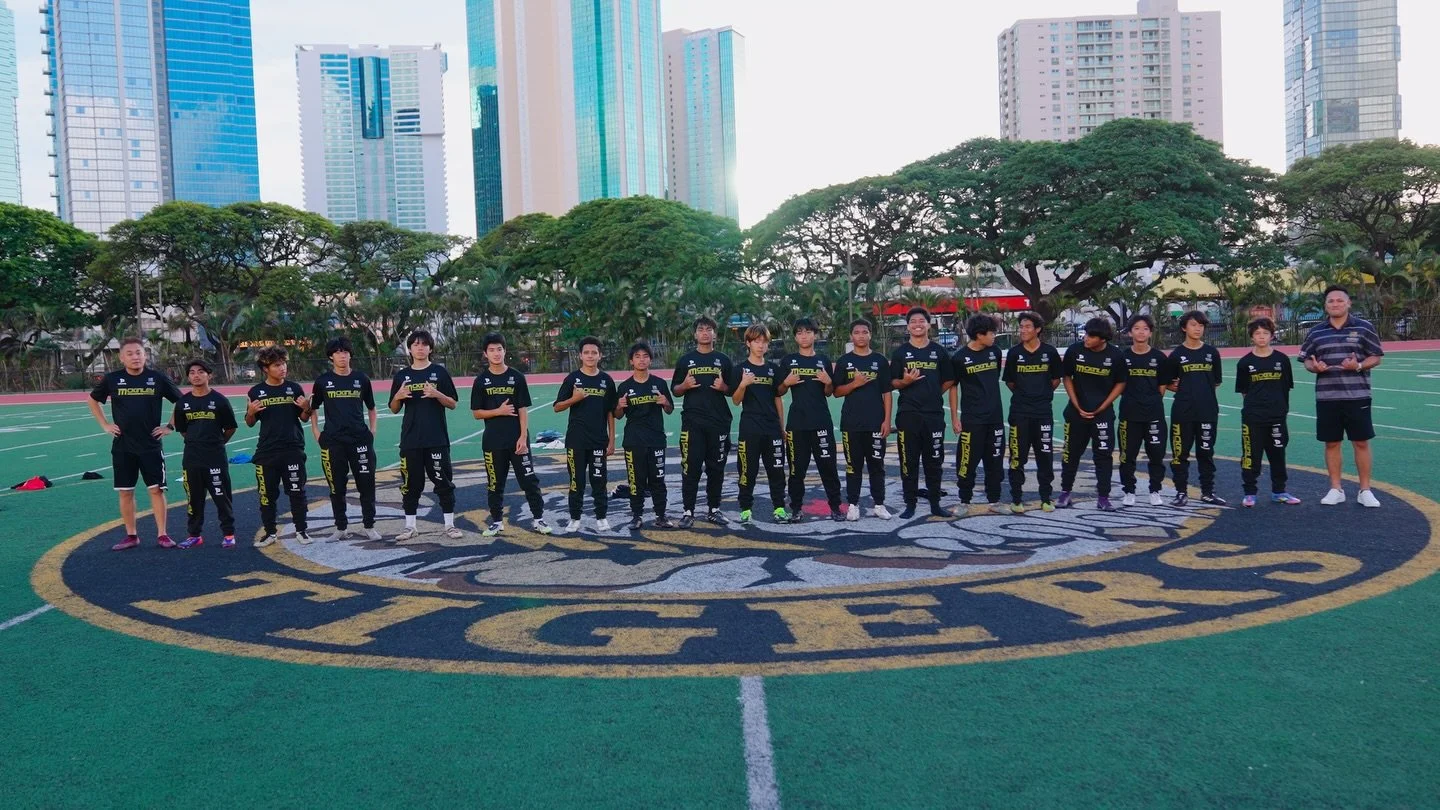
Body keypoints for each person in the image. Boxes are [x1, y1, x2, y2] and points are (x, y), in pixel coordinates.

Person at [87, 337, 181, 550]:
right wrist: (105, 424)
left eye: (138, 352)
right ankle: (131, 535)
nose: (135, 357)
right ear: (121, 357)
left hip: (150, 445)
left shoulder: (157, 378)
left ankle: (162, 534)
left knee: (156, 490)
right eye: (129, 353)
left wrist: (170, 426)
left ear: (145, 355)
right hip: (123, 446)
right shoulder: (112, 379)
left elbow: (181, 401)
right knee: (125, 491)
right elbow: (92, 400)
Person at [1298, 285, 1384, 507]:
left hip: (1358, 395)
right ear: (1325, 305)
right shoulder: (1316, 331)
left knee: (1361, 442)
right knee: (1332, 443)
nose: (1335, 304)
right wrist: (1314, 367)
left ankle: (1365, 490)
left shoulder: (1364, 327)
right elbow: (1307, 359)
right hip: (1327, 397)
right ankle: (1336, 489)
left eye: (1339, 300)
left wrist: (1359, 366)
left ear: (1348, 303)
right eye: (1331, 301)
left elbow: (1376, 356)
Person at [470, 332, 551, 535]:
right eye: (491, 350)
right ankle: (497, 521)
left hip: (517, 440)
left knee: (529, 481)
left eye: (499, 349)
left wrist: (523, 437)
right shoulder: (481, 381)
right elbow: (477, 413)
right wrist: (498, 411)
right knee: (495, 484)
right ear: (485, 354)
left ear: (505, 351)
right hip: (493, 441)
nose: (496, 353)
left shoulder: (517, 377)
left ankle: (539, 519)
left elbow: (523, 409)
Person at [388, 330, 462, 541]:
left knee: (443, 483)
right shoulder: (402, 376)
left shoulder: (439, 373)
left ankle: (449, 525)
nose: (420, 348)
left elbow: (453, 403)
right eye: (416, 344)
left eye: (424, 344)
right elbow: (394, 408)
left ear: (430, 348)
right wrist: (398, 396)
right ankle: (410, 526)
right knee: (410, 485)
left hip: (436, 438)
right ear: (410, 349)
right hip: (411, 440)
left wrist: (437, 394)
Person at [311, 336, 382, 542]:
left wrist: (372, 431)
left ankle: (369, 526)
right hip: (333, 442)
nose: (342, 355)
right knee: (336, 487)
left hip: (360, 440)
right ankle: (340, 527)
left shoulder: (361, 379)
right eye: (337, 352)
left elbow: (371, 407)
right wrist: (316, 432)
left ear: (350, 355)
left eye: (345, 352)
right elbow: (313, 408)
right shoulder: (322, 381)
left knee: (366, 485)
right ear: (331, 357)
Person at [890, 307, 956, 519]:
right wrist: (906, 382)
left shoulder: (939, 352)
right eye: (913, 321)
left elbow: (949, 379)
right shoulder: (900, 353)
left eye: (921, 321)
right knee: (908, 462)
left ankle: (935, 504)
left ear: (928, 324)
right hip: (908, 415)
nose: (917, 324)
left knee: (934, 461)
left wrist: (933, 393)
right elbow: (892, 382)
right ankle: (910, 504)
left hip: (933, 415)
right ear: (908, 327)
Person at [778, 318, 844, 522]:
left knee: (828, 468)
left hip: (821, 422)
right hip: (797, 424)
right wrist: (786, 383)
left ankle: (836, 507)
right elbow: (778, 391)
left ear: (815, 335)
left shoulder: (823, 360)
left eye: (808, 332)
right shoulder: (788, 361)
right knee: (797, 470)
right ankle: (796, 508)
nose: (804, 336)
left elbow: (829, 392)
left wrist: (828, 382)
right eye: (799, 333)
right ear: (795, 337)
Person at [672, 316, 735, 527]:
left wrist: (724, 388)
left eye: (709, 329)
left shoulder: (723, 360)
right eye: (701, 329)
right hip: (693, 423)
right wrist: (685, 386)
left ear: (714, 334)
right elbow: (675, 390)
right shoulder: (685, 360)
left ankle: (714, 510)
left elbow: (734, 391)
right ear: (695, 334)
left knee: (716, 468)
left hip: (718, 423)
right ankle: (688, 512)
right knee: (691, 468)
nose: (705, 332)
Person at [246, 346, 313, 546]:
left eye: (283, 364)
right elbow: (250, 423)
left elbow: (304, 418)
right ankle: (270, 533)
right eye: (276, 365)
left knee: (297, 492)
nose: (282, 368)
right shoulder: (256, 391)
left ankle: (301, 531)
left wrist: (306, 408)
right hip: (267, 452)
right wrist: (250, 412)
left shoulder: (294, 388)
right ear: (265, 368)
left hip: (293, 449)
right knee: (267, 495)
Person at [1058, 318, 1126, 511]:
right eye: (1086, 333)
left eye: (1090, 335)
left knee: (1103, 456)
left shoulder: (1115, 355)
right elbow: (1067, 377)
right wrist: (1077, 405)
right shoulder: (1075, 351)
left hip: (1102, 416)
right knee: (1070, 454)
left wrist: (1102, 407)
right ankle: (1065, 492)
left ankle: (1103, 497)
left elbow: (1121, 382)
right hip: (1076, 414)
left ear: (1102, 338)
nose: (1085, 338)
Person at [1236, 317, 1302, 508]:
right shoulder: (1245, 362)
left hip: (1277, 417)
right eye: (1257, 333)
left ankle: (1279, 491)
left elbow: (1286, 387)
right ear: (1252, 337)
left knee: (1278, 455)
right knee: (1251, 456)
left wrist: (1280, 410)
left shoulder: (1282, 360)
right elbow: (1244, 391)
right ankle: (1250, 493)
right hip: (1253, 418)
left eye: (1265, 333)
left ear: (1272, 336)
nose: (1261, 337)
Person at [554, 337, 618, 533]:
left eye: (594, 353)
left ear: (600, 355)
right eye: (587, 353)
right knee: (577, 482)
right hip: (576, 441)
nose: (590, 356)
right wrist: (574, 398)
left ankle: (601, 517)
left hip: (598, 441)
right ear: (580, 355)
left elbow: (610, 412)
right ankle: (575, 518)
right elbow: (557, 407)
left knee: (599, 480)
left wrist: (611, 439)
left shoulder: (606, 380)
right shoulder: (572, 379)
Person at [1001, 311, 1062, 513]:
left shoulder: (1050, 352)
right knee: (1017, 457)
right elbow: (1010, 382)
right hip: (1019, 413)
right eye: (1021, 327)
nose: (1023, 330)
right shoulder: (1014, 353)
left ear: (1038, 329)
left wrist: (1042, 394)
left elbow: (1056, 380)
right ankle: (1016, 499)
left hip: (1043, 413)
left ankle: (1046, 498)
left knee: (1045, 456)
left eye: (1027, 327)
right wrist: (1025, 395)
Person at [173, 359, 237, 548]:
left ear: (209, 375)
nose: (196, 375)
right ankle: (194, 535)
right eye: (192, 372)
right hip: (192, 458)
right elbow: (183, 430)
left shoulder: (220, 401)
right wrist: (197, 442)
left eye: (201, 372)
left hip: (215, 457)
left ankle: (228, 534)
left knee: (221, 496)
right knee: (194, 498)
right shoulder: (183, 403)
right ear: (188, 377)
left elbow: (230, 427)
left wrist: (217, 443)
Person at [834, 318, 893, 521]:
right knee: (853, 466)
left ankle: (879, 504)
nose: (861, 335)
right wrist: (854, 384)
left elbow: (887, 392)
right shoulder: (844, 361)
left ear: (870, 335)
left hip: (876, 423)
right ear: (851, 336)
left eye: (864, 332)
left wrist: (887, 420)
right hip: (852, 424)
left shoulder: (880, 360)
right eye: (857, 332)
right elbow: (836, 392)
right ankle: (853, 505)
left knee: (877, 465)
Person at [949, 314, 1007, 515]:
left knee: (995, 461)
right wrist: (955, 418)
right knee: (967, 461)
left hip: (995, 418)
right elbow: (953, 387)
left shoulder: (995, 352)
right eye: (991, 333)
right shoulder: (959, 357)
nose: (994, 336)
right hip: (972, 420)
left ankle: (995, 500)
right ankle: (964, 501)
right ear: (979, 334)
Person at [731, 324, 789, 524]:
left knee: (777, 470)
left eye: (764, 342)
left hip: (772, 428)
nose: (761, 345)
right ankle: (746, 509)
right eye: (756, 341)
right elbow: (736, 400)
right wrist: (743, 384)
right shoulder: (740, 369)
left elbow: (778, 399)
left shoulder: (773, 369)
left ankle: (779, 508)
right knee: (747, 471)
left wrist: (781, 427)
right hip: (750, 428)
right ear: (748, 343)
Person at [614, 342, 676, 529]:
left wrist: (665, 402)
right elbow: (617, 415)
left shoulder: (659, 383)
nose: (641, 360)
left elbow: (670, 410)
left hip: (656, 439)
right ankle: (636, 515)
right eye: (637, 357)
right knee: (636, 481)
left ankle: (661, 515)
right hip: (634, 440)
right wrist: (619, 406)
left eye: (645, 356)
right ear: (631, 361)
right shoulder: (625, 386)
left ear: (650, 360)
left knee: (658, 480)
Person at [1167, 311, 1224, 506]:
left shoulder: (1211, 353)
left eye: (1201, 325)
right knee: (1180, 454)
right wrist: (1183, 389)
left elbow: (1216, 382)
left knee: (1206, 452)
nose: (1198, 329)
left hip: (1207, 411)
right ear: (1184, 328)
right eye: (1193, 325)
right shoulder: (1176, 355)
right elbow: (1167, 382)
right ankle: (1181, 492)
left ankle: (1208, 492)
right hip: (1183, 412)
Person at [1118, 314, 1173, 507]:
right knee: (1127, 456)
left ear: (1150, 333)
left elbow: (1162, 387)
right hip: (1129, 415)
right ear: (1130, 332)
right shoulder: (1122, 357)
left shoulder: (1159, 357)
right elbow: (1118, 384)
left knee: (1156, 455)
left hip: (1153, 415)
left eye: (1145, 329)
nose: (1141, 332)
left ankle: (1155, 490)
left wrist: (1150, 402)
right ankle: (1129, 491)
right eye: (1137, 328)